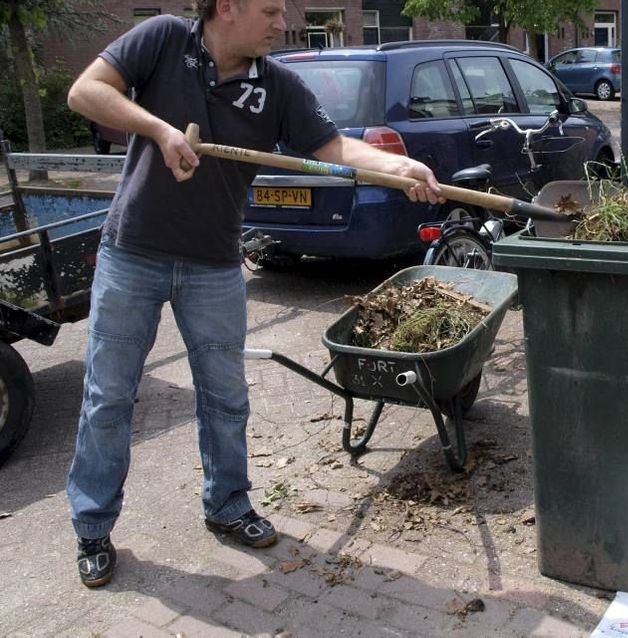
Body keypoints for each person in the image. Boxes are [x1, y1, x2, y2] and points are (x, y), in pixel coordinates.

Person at [65, 0, 443, 588]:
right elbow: (85, 92)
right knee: (109, 396)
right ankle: (92, 526)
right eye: (269, 10)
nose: (281, 22)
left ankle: (228, 505)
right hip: (132, 253)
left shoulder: (279, 86)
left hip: (214, 265)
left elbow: (336, 149)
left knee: (225, 396)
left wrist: (401, 167)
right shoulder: (163, 39)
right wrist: (160, 129)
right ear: (228, 8)